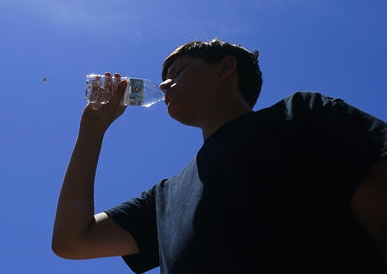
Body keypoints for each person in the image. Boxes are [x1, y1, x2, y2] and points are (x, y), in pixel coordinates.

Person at [52, 39, 387, 273]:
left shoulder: (299, 114)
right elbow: (73, 241)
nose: (165, 85)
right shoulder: (165, 197)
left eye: (178, 70)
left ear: (226, 67)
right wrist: (92, 132)